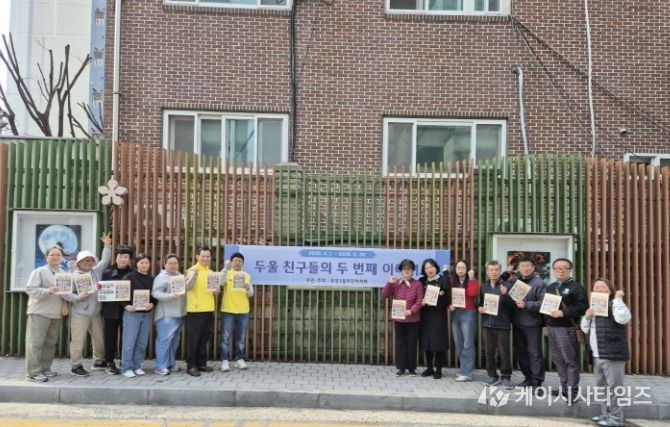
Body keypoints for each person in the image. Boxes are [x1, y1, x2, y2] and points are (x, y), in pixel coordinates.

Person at [580, 279, 631, 427]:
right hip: (596, 354)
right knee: (602, 388)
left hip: (612, 354)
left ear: (610, 290)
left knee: (615, 389)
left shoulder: (616, 305)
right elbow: (585, 329)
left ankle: (616, 419)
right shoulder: (593, 307)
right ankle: (606, 414)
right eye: (596, 287)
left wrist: (619, 299)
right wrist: (587, 317)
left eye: (603, 287)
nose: (599, 289)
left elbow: (623, 319)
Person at [62, 233, 112, 377]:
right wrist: (78, 297)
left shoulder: (97, 271)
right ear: (78, 262)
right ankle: (76, 365)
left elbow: (105, 260)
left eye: (90, 260)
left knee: (99, 338)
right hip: (80, 313)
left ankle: (99, 361)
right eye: (84, 260)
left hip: (96, 311)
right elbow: (65, 294)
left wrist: (107, 245)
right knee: (78, 340)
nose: (88, 262)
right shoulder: (73, 276)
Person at [545, 258, 588, 403]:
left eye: (565, 268)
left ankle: (572, 392)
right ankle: (564, 388)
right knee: (558, 360)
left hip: (566, 328)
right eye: (558, 268)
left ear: (570, 270)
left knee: (570, 361)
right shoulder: (551, 287)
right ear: (553, 270)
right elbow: (546, 307)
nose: (561, 270)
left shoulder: (576, 287)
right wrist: (545, 325)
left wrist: (563, 313)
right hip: (552, 328)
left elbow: (583, 307)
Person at [24, 245, 69, 382]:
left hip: (55, 313)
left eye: (58, 255)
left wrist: (78, 297)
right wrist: (47, 291)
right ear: (46, 257)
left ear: (62, 257)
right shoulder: (40, 271)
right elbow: (30, 289)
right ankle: (33, 373)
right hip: (39, 312)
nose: (55, 257)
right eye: (52, 254)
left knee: (50, 343)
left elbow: (65, 294)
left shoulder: (63, 273)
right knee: (35, 343)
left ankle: (44, 368)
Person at [504, 256, 546, 389]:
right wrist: (506, 294)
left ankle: (537, 382)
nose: (525, 269)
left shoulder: (539, 283)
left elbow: (543, 303)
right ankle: (528, 378)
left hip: (533, 324)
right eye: (522, 266)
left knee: (534, 353)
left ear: (533, 267)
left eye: (528, 266)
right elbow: (510, 301)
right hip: (517, 323)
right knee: (521, 352)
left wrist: (526, 304)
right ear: (519, 268)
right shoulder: (515, 282)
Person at [152, 254, 197, 375]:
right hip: (166, 314)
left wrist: (193, 276)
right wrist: (171, 296)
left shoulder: (180, 276)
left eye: (175, 263)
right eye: (170, 263)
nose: (173, 265)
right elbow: (156, 293)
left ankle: (170, 363)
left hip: (179, 314)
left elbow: (187, 289)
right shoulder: (161, 277)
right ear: (165, 264)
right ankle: (160, 366)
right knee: (164, 341)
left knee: (174, 341)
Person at [382, 259, 424, 377]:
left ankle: (412, 368)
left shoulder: (417, 284)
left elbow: (420, 300)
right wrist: (389, 284)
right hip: (399, 320)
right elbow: (384, 295)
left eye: (409, 269)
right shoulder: (396, 283)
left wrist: (411, 311)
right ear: (401, 271)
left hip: (413, 320)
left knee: (412, 344)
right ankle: (401, 368)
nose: (407, 271)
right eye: (404, 269)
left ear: (413, 271)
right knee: (400, 344)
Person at [477, 260, 515, 389]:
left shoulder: (507, 285)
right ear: (487, 272)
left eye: (496, 270)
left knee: (504, 352)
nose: (494, 272)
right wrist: (479, 308)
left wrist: (506, 294)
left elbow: (514, 306)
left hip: (502, 324)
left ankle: (506, 377)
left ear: (500, 271)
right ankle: (492, 375)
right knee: (489, 351)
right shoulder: (483, 286)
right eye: (491, 270)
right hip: (487, 323)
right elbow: (480, 303)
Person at [185, 246, 220, 377]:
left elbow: (214, 292)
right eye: (203, 256)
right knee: (194, 340)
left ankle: (201, 363)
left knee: (203, 339)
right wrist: (193, 276)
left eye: (208, 256)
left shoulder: (211, 272)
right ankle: (191, 366)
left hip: (209, 309)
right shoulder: (191, 270)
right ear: (197, 257)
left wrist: (217, 292)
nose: (205, 258)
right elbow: (186, 288)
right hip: (195, 310)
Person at [120, 253, 156, 378]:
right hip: (132, 313)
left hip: (146, 314)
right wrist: (125, 305)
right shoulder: (129, 277)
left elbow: (154, 296)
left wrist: (152, 304)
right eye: (141, 262)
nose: (144, 265)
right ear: (136, 264)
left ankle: (137, 365)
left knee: (142, 342)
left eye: (146, 262)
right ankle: (126, 367)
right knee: (129, 342)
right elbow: (120, 293)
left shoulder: (152, 279)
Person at [100, 244, 134, 375]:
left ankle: (124, 360)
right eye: (120, 256)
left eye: (126, 256)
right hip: (111, 309)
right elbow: (103, 291)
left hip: (128, 310)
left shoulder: (133, 273)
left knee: (126, 337)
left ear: (129, 258)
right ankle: (109, 362)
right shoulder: (107, 272)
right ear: (116, 257)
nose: (123, 259)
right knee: (110, 337)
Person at [220, 252, 254, 372]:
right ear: (231, 262)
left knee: (241, 338)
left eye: (240, 261)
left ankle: (239, 359)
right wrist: (225, 269)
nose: (237, 263)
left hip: (243, 310)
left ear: (243, 263)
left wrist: (248, 288)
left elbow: (251, 294)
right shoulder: (226, 273)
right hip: (228, 310)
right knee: (225, 337)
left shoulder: (246, 275)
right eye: (235, 260)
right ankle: (224, 360)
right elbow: (220, 283)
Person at [418, 259, 450, 379]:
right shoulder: (422, 281)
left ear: (436, 267)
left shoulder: (442, 279)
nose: (430, 270)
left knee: (439, 342)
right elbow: (418, 295)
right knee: (427, 342)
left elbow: (446, 288)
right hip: (426, 314)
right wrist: (421, 302)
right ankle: (430, 368)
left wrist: (446, 273)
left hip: (438, 314)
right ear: (424, 270)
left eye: (432, 267)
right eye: (427, 268)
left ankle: (439, 370)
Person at [448, 260, 478, 382]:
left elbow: (472, 293)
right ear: (455, 269)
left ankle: (467, 373)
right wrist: (450, 305)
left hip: (468, 313)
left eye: (463, 267)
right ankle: (464, 370)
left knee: (467, 344)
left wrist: (471, 278)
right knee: (459, 343)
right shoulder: (452, 281)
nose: (460, 270)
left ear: (467, 269)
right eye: (458, 267)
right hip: (455, 313)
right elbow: (448, 297)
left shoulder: (473, 281)